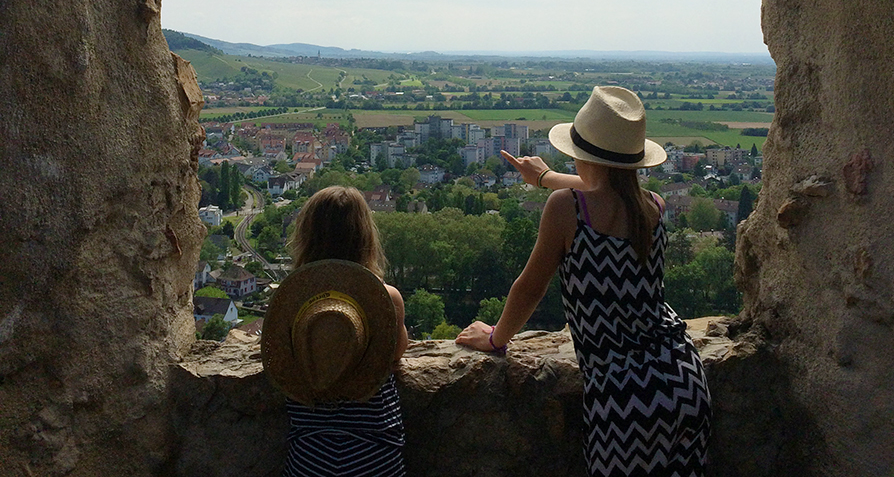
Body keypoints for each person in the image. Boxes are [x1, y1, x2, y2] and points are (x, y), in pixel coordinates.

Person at [456, 86, 712, 477]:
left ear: (580, 153)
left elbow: (531, 286)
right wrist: (544, 177)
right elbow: (603, 191)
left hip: (624, 396)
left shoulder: (567, 208)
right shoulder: (654, 206)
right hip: (683, 380)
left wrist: (495, 338)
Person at [261, 186, 409, 477]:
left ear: (307, 236)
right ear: (365, 238)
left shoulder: (292, 302)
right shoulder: (385, 298)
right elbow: (397, 352)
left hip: (310, 454)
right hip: (375, 453)